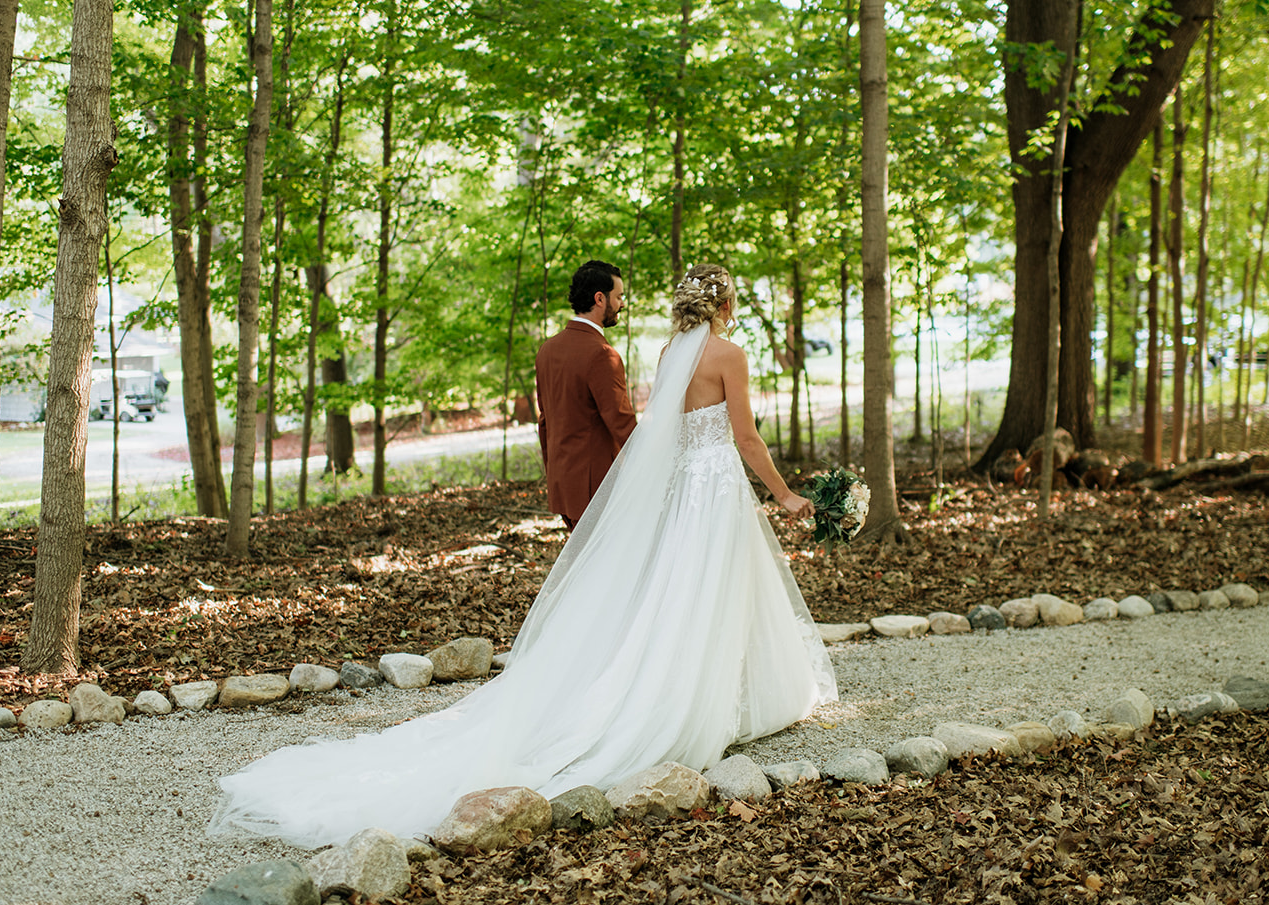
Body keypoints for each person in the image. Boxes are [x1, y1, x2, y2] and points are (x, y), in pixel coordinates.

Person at [208, 263, 837, 849]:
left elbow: (656, 433)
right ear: (723, 305)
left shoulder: (673, 353)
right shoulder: (728, 353)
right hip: (717, 483)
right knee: (716, 588)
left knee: (679, 590)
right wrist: (782, 494)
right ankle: (711, 700)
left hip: (685, 488)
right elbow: (746, 436)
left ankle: (711, 690)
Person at [535, 260, 637, 528]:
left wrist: (553, 474)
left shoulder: (547, 350)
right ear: (600, 298)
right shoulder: (602, 355)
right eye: (619, 296)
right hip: (597, 488)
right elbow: (623, 425)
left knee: (585, 567)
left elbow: (544, 422)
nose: (622, 304)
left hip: (563, 485)